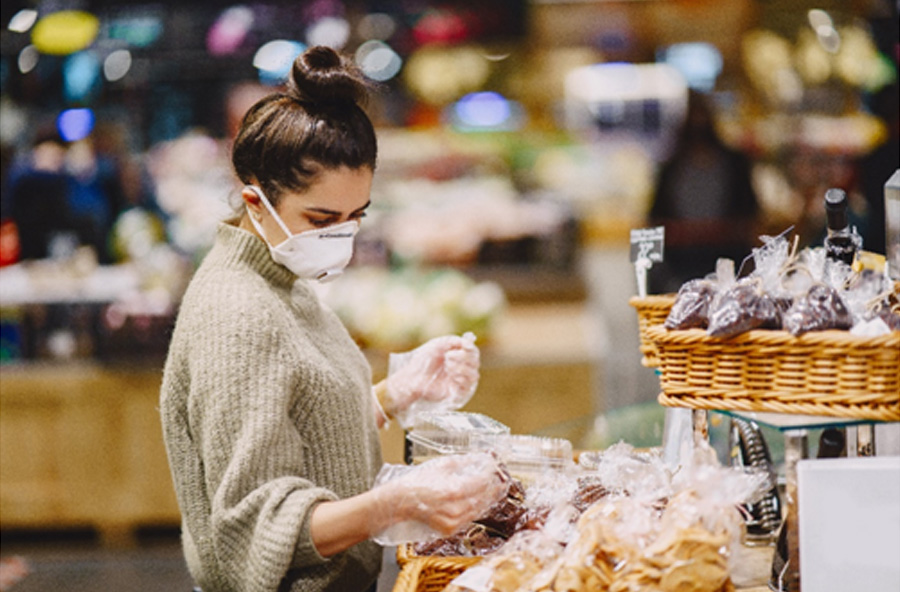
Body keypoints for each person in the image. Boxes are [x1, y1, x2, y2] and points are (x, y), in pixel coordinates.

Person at [159, 46, 508, 592]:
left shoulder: (281, 277)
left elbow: (294, 424)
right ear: (255, 201)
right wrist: (391, 505)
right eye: (321, 219)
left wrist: (395, 393)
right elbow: (252, 528)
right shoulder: (238, 315)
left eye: (354, 217)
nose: (339, 237)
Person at [647, 90, 761, 293]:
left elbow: (751, 211)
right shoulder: (671, 166)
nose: (698, 123)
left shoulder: (735, 163)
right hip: (679, 262)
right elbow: (654, 218)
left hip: (728, 258)